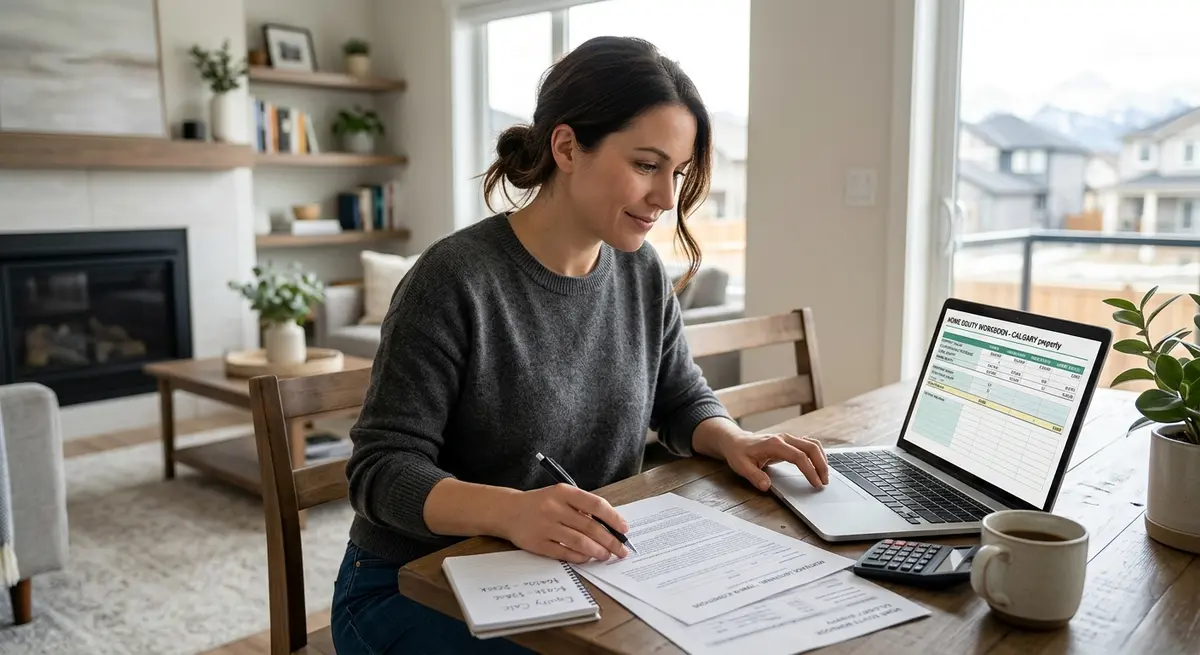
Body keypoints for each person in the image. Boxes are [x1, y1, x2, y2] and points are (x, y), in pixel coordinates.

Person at [329, 35, 829, 655]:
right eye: (647, 165)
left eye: (678, 172)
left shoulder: (639, 270)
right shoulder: (454, 279)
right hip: (413, 586)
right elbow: (379, 472)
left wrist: (734, 437)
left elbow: (679, 399)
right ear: (567, 147)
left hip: (576, 569)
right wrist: (511, 511)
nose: (667, 198)